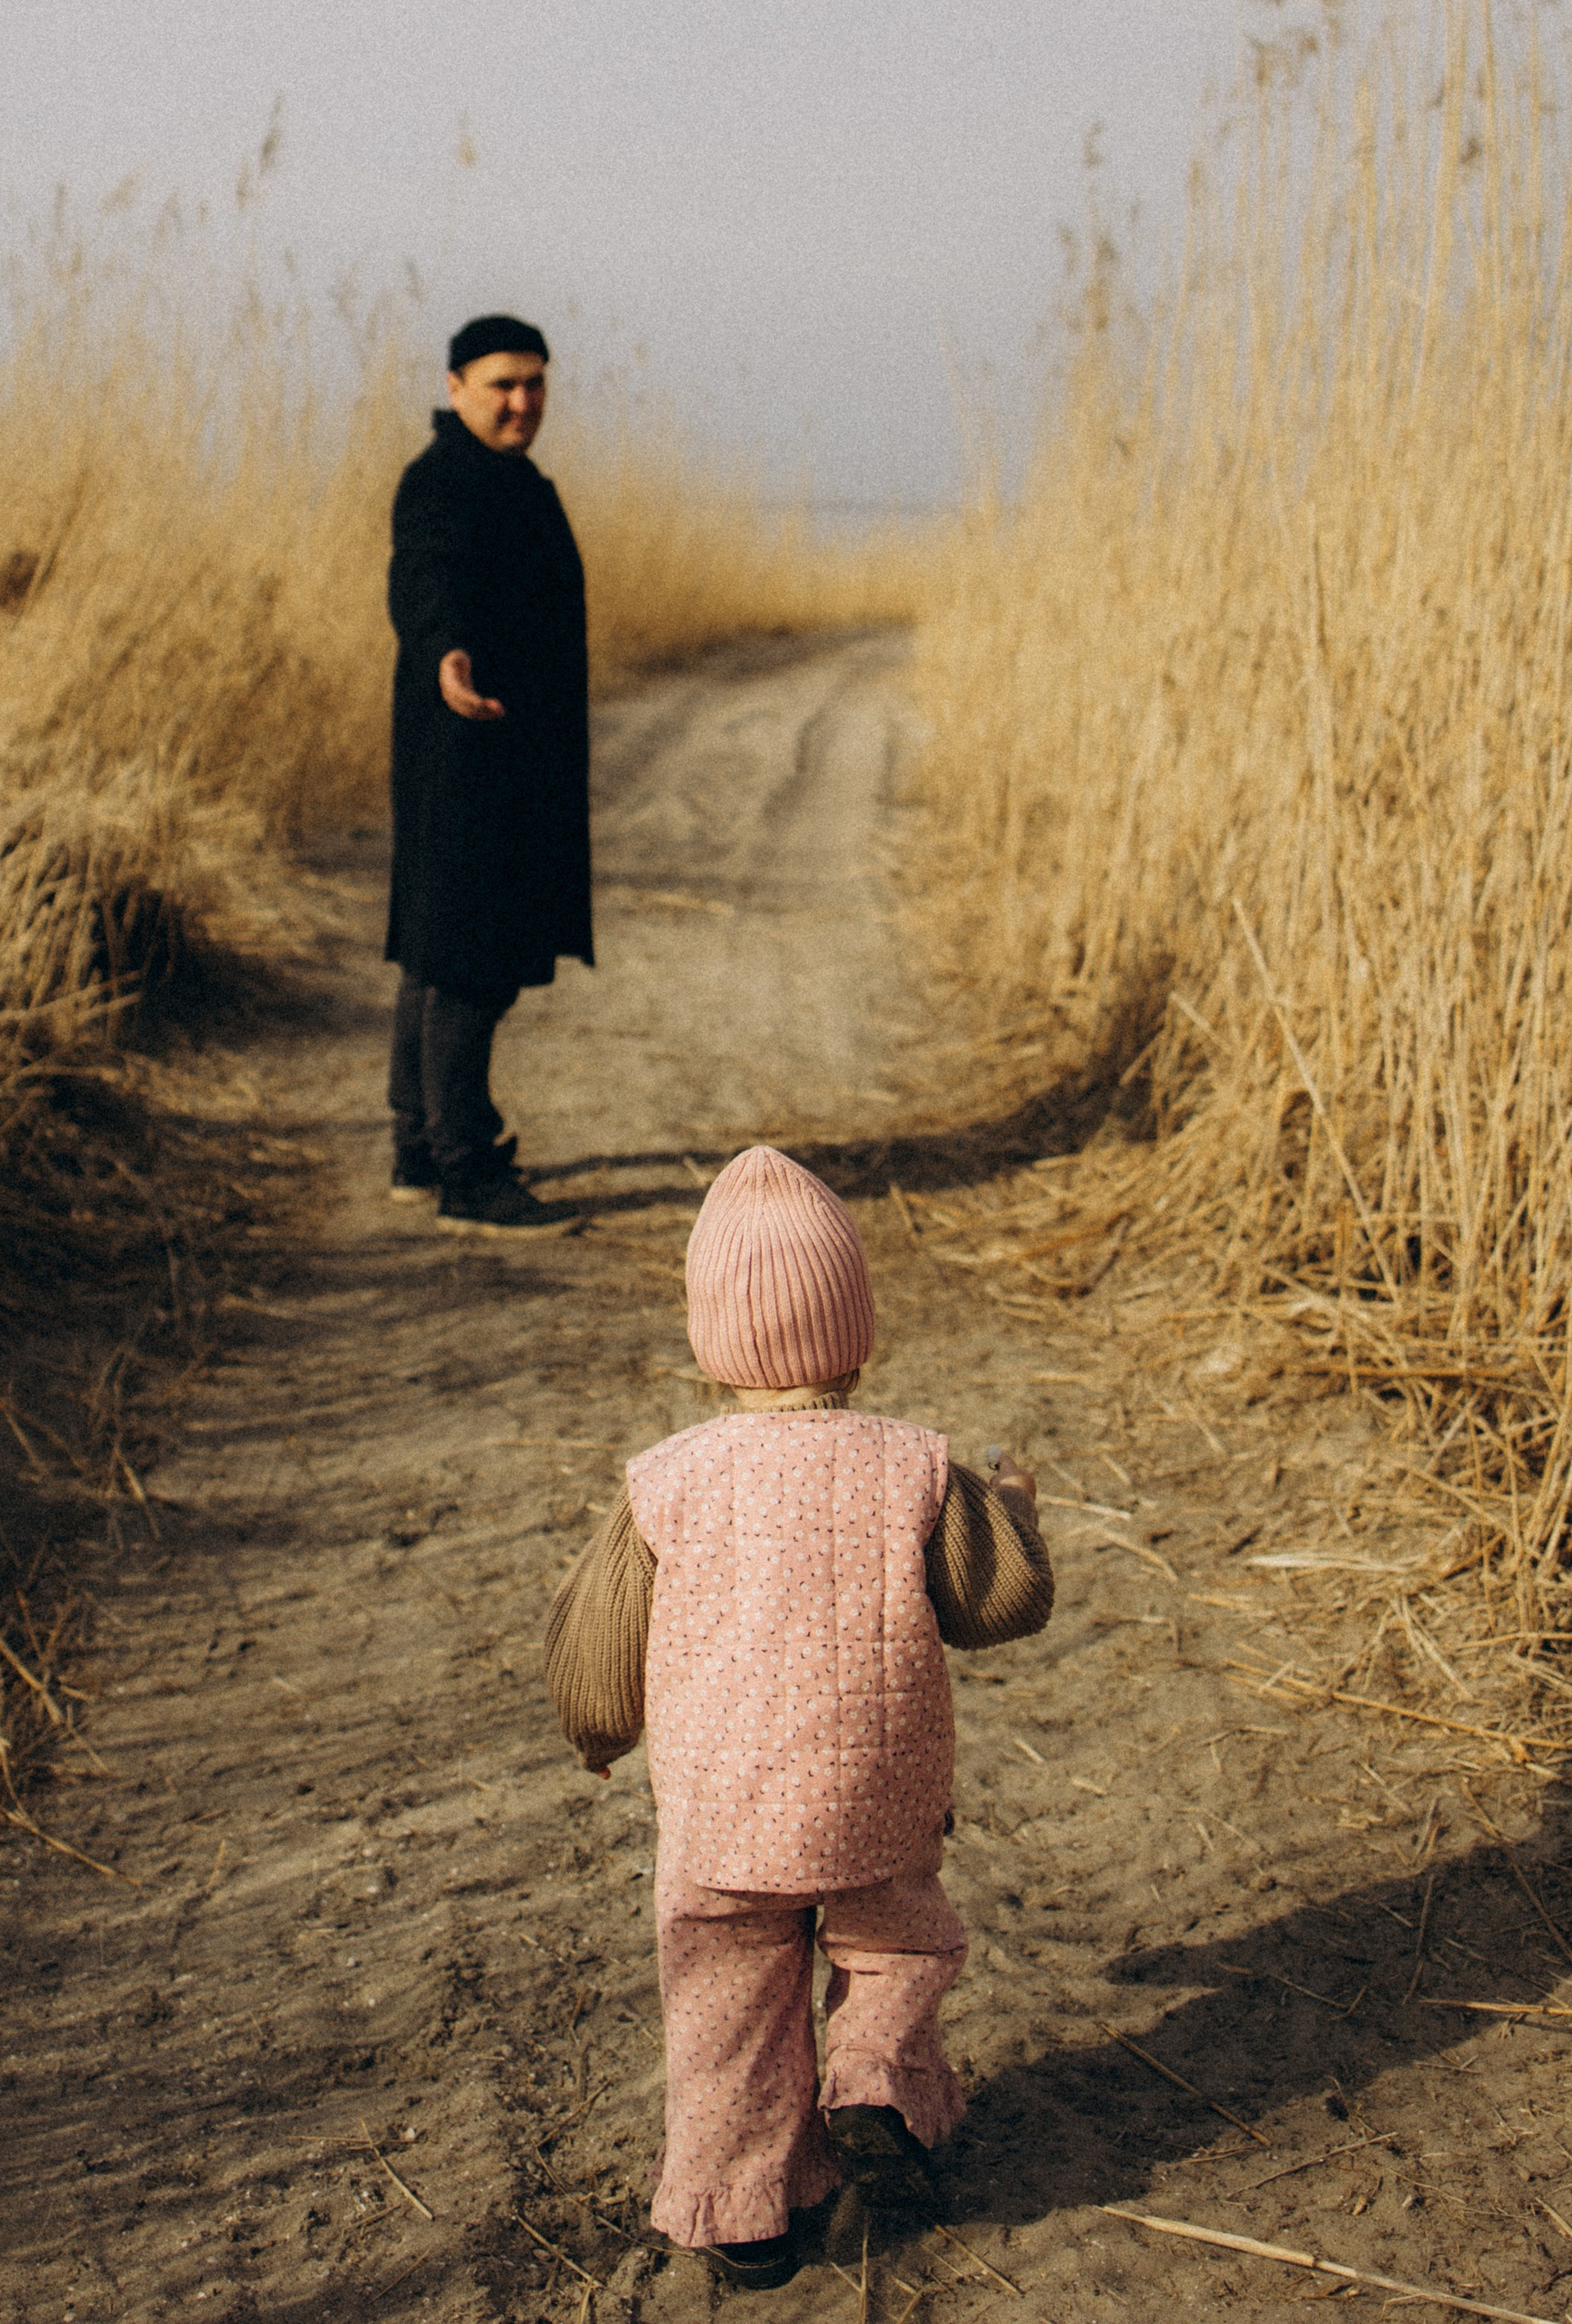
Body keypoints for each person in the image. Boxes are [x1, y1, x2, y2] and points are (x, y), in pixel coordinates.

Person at [544, 1146, 1054, 2291]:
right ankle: (874, 2082)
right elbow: (1001, 1606)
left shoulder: (666, 1482)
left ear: (705, 1340)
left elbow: (593, 1651)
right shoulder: (915, 1467)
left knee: (725, 2001)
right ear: (858, 1329)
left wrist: (596, 1736)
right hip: (877, 1786)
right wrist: (1013, 1510)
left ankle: (741, 2211)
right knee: (896, 1943)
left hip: (725, 1816)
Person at [385, 316, 592, 1234]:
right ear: (454, 384)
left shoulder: (511, 482)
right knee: (470, 956)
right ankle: (467, 1171)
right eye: (503, 384)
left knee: (438, 946)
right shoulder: (443, 483)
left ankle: (417, 1150)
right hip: (469, 747)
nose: (522, 402)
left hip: (501, 751)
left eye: (535, 384)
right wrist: (447, 655)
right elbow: (425, 581)